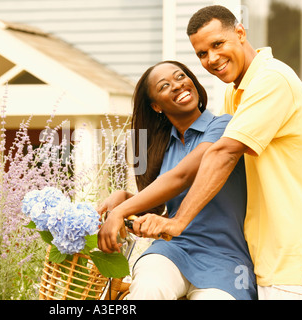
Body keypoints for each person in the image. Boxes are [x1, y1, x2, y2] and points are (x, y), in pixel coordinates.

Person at [148, 5, 302, 300]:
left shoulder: (271, 79)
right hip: (260, 260)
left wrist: (178, 222)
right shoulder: (235, 92)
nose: (212, 59)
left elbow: (223, 154)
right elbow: (207, 164)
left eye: (218, 44)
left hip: (294, 260)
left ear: (240, 33)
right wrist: (129, 203)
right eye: (202, 53)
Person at [97, 60, 257, 300]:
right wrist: (125, 198)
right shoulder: (159, 148)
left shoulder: (224, 126)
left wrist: (120, 211)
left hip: (227, 259)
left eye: (180, 76)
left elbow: (182, 176)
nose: (177, 85)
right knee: (149, 288)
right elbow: (159, 207)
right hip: (173, 250)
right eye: (164, 86)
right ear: (156, 106)